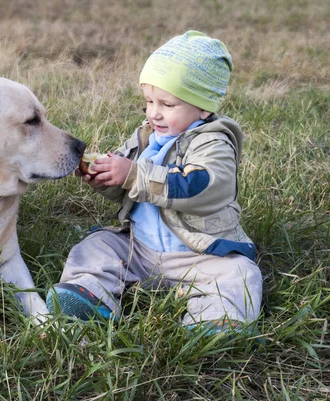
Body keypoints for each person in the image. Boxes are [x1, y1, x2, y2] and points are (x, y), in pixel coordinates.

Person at [46, 31, 262, 335]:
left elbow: (199, 186)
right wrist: (104, 177)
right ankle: (90, 294)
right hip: (140, 249)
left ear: (202, 108)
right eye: (149, 100)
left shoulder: (213, 142)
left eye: (167, 104)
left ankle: (215, 319)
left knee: (240, 273)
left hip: (199, 253)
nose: (154, 112)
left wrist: (133, 174)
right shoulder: (147, 136)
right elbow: (125, 186)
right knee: (95, 246)